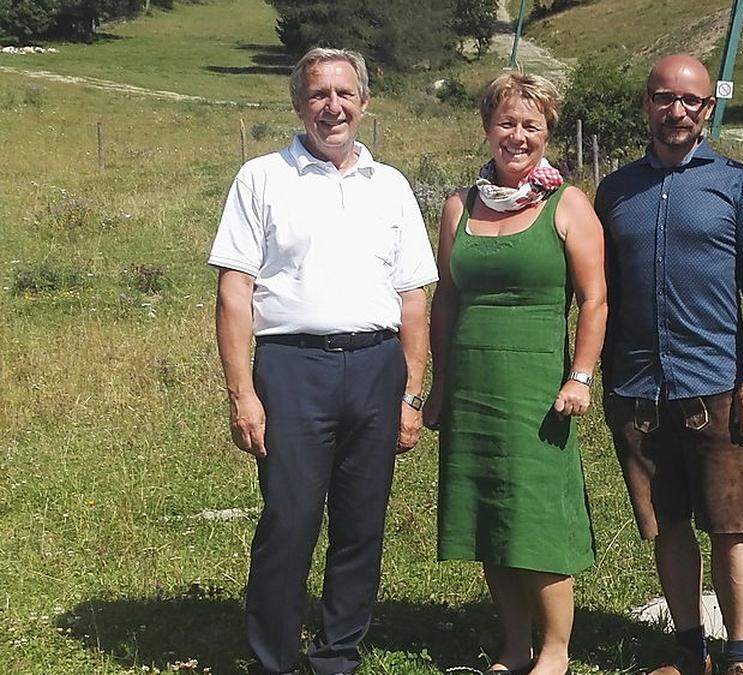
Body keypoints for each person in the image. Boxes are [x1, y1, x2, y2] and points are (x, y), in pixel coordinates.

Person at [209, 47, 437, 675]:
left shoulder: (389, 186)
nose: (331, 107)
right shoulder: (261, 178)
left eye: (344, 94)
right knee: (289, 521)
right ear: (297, 104)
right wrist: (241, 394)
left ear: (364, 103)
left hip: (376, 367)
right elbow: (234, 290)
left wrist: (411, 394)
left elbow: (412, 298)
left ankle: (337, 656)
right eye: (318, 95)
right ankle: (273, 661)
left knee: (361, 527)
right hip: (291, 369)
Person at [595, 54, 743, 675]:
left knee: (730, 527)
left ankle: (740, 654)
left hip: (718, 386)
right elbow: (599, 292)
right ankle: (688, 649)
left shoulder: (737, 184)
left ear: (708, 109)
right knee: (667, 526)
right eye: (664, 98)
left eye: (692, 101)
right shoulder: (616, 190)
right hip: (638, 389)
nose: (678, 111)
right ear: (647, 103)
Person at [424, 72, 606, 675]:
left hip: (538, 390)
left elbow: (596, 299)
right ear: (487, 128)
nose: (518, 136)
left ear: (549, 132)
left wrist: (579, 376)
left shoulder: (568, 203)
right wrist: (439, 381)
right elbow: (445, 300)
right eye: (507, 123)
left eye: (531, 125)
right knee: (490, 513)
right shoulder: (458, 205)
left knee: (537, 515)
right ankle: (513, 647)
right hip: (473, 385)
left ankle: (555, 651)